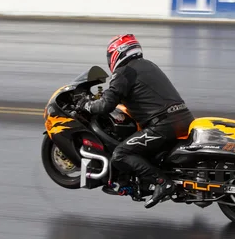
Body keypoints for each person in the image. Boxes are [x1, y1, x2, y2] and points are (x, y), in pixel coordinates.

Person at [78, 34, 195, 209]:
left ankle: (163, 182)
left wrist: (86, 105)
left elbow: (104, 106)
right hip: (183, 119)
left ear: (118, 54)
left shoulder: (123, 72)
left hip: (162, 126)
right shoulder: (149, 65)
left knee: (121, 154)